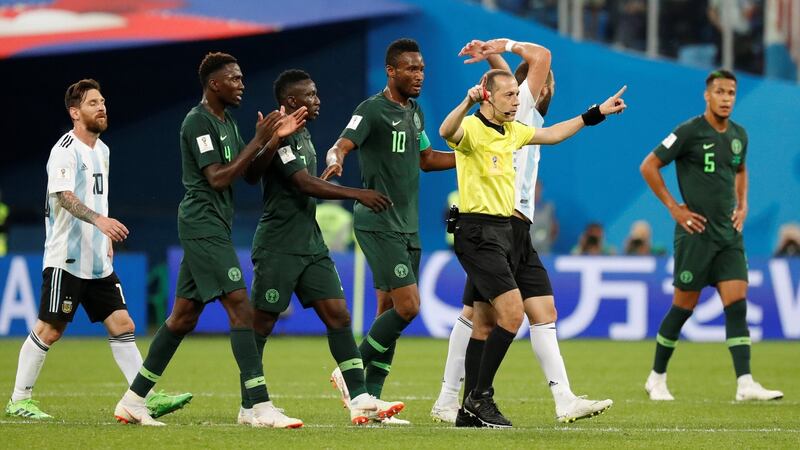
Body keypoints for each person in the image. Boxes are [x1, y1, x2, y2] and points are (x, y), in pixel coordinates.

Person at [114, 53, 308, 427]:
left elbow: (248, 175)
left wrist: (270, 143)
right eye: (234, 79)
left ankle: (133, 400)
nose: (241, 84)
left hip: (216, 224)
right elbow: (218, 177)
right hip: (201, 223)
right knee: (240, 306)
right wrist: (258, 139)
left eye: (241, 77)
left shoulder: (228, 122)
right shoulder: (198, 122)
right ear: (214, 84)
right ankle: (257, 406)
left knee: (182, 317)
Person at [432, 38, 614, 426]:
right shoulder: (517, 109)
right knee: (488, 318)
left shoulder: (518, 122)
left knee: (492, 317)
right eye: (542, 83)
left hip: (515, 228)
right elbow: (536, 61)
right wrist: (502, 46)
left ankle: (558, 398)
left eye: (520, 92)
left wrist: (595, 113)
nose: (545, 87)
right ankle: (461, 398)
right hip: (490, 226)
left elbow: (509, 90)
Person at [5, 79, 191, 420]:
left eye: (102, 101)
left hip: (96, 259)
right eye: (93, 103)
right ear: (75, 112)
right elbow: (64, 196)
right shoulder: (64, 149)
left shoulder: (102, 150)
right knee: (51, 329)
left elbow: (96, 196)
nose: (101, 107)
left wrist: (103, 237)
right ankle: (19, 400)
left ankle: (142, 398)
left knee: (123, 324)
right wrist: (100, 222)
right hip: (67, 257)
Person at [239, 69, 403, 425]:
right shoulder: (279, 134)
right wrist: (357, 193)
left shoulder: (303, 133)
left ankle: (359, 397)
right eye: (310, 95)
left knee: (339, 316)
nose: (317, 100)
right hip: (278, 244)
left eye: (316, 94)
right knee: (261, 325)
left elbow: (305, 181)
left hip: (310, 244)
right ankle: (250, 406)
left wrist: (320, 179)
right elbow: (300, 183)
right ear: (291, 101)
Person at [321, 38, 456, 424]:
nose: (419, 76)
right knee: (408, 307)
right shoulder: (372, 110)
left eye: (423, 69)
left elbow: (428, 159)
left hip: (408, 225)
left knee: (387, 311)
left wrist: (471, 157)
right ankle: (349, 373)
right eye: (411, 69)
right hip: (378, 221)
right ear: (391, 71)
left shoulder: (415, 113)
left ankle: (370, 404)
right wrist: (336, 158)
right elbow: (342, 144)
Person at [640, 69, 782, 402]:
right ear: (707, 95)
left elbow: (741, 168)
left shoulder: (738, 135)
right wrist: (675, 208)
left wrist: (743, 205)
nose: (726, 98)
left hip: (729, 236)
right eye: (720, 92)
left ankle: (745, 382)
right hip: (696, 234)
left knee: (737, 306)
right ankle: (656, 378)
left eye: (731, 93)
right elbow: (649, 165)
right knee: (683, 307)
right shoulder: (689, 132)